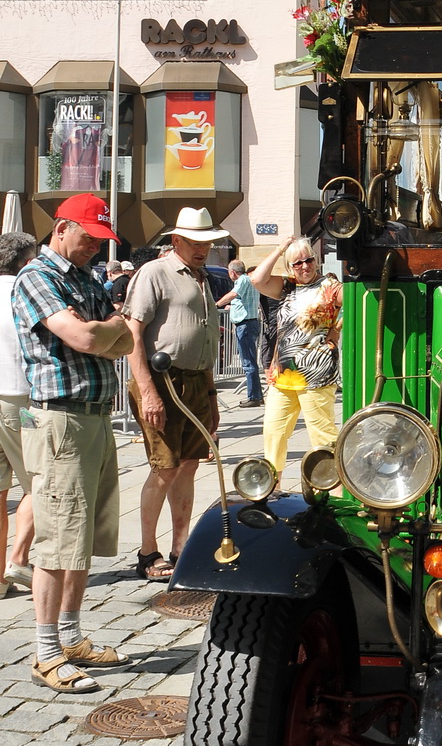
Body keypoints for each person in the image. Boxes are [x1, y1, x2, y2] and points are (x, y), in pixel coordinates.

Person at [11, 193, 133, 692]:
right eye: (88, 239)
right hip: (59, 420)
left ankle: (70, 635)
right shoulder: (38, 277)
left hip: (94, 417)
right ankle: (44, 652)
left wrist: (102, 330)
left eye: (100, 241)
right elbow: (84, 340)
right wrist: (105, 331)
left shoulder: (82, 277)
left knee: (81, 537)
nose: (93, 249)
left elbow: (126, 338)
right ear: (61, 229)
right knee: (58, 541)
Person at [122, 206, 228, 581]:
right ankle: (147, 552)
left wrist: (213, 396)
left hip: (197, 381)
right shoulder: (155, 272)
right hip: (163, 381)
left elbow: (206, 339)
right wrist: (148, 392)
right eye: (196, 242)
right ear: (176, 240)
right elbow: (133, 334)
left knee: (190, 464)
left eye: (209, 243)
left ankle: (180, 548)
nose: (204, 248)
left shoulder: (201, 279)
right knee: (164, 467)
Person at [251, 234, 342, 477]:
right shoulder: (287, 286)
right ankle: (273, 488)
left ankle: (333, 490)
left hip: (316, 372)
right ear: (290, 267)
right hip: (283, 375)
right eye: (298, 263)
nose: (305, 266)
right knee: (273, 432)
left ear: (316, 261)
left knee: (323, 435)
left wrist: (337, 329)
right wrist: (280, 248)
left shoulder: (328, 285)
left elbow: (352, 300)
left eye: (309, 260)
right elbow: (257, 279)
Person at [0, 232, 37, 594]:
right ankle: (19, 560)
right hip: (20, 400)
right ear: (26, 262)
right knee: (39, 482)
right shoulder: (24, 292)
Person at [216, 259, 264, 407]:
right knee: (250, 360)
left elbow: (233, 294)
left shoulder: (242, 280)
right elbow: (242, 300)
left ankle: (254, 396)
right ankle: (257, 394)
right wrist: (233, 306)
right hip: (249, 322)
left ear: (232, 272)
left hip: (245, 324)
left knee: (248, 362)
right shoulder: (250, 280)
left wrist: (217, 304)